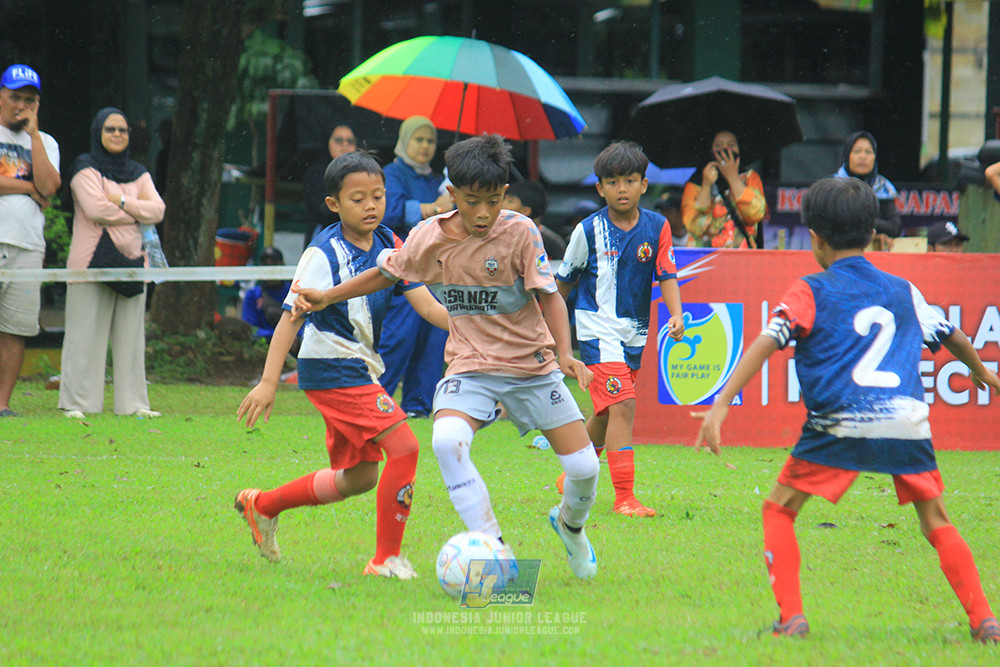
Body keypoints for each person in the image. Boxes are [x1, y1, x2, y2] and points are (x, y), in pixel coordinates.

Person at [694, 177, 1000, 642]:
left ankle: (791, 618)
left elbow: (766, 341)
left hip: (840, 419)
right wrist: (980, 372)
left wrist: (720, 405)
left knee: (779, 510)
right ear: (873, 232)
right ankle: (985, 621)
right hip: (905, 420)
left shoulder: (810, 289)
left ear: (815, 238)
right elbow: (953, 336)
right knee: (935, 519)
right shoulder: (903, 289)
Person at [291, 135, 601, 579]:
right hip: (471, 367)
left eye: (493, 202)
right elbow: (385, 272)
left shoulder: (520, 232)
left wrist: (565, 355)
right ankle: (495, 548)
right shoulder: (429, 236)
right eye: (472, 201)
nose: (482, 214)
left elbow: (550, 297)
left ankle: (570, 526)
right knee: (445, 440)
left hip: (532, 369)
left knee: (585, 467)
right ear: (451, 195)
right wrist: (328, 296)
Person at [234, 151, 449, 579]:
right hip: (332, 365)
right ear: (333, 204)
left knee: (360, 476)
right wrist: (268, 381)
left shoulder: (391, 243)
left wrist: (474, 330)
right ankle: (384, 560)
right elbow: (289, 319)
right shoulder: (322, 253)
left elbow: (425, 303)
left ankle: (264, 505)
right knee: (405, 447)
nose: (371, 206)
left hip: (360, 367)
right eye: (358, 199)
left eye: (378, 196)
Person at [555, 141, 685, 517]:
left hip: (634, 334)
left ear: (645, 184)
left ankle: (572, 477)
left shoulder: (658, 226)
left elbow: (668, 275)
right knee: (624, 405)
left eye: (630, 180)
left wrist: (676, 315)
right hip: (596, 331)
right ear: (600, 188)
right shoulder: (588, 230)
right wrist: (546, 331)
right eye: (613, 182)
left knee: (609, 412)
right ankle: (624, 497)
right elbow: (562, 286)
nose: (622, 188)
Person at [58, 107, 164, 419]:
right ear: (98, 133)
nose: (117, 135)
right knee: (84, 335)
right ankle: (77, 404)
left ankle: (133, 405)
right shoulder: (84, 167)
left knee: (131, 338)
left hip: (133, 262)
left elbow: (157, 210)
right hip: (90, 263)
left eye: (122, 130)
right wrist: (136, 210)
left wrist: (118, 200)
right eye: (110, 129)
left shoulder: (138, 171)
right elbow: (95, 209)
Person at [378, 116, 452, 418]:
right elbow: (388, 211)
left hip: (436, 269)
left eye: (430, 141)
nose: (424, 146)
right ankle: (376, 401)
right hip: (404, 269)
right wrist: (434, 208)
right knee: (398, 337)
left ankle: (420, 406)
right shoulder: (391, 174)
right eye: (418, 139)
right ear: (404, 140)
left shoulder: (439, 180)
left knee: (433, 340)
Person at [0, 65, 60, 418]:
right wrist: (27, 187)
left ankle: (3, 403)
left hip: (27, 245)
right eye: (15, 97)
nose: (21, 105)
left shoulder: (46, 142)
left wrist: (34, 135)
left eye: (30, 100)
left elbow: (50, 186)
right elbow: (37, 188)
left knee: (15, 327)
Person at [682, 130, 766, 249]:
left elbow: (755, 213)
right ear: (710, 150)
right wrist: (706, 185)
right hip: (704, 259)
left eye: (731, 145)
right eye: (718, 146)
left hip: (742, 259)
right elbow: (694, 225)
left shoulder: (750, 178)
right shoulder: (696, 182)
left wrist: (733, 178)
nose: (725, 150)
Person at [832, 131, 901, 249]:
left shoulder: (883, 188)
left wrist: (868, 225)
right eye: (857, 151)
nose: (863, 156)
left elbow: (895, 228)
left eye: (868, 152)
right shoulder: (833, 187)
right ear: (847, 155)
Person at [302, 124, 356, 249]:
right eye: (338, 140)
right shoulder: (316, 173)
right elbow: (325, 210)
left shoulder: (362, 174)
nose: (345, 145)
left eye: (350, 141)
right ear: (327, 143)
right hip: (324, 237)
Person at [503, 179, 565, 259]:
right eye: (503, 199)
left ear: (525, 211)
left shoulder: (551, 243)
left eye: (510, 201)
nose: (502, 204)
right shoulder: (497, 234)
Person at [241, 246, 291, 342]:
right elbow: (251, 329)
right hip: (263, 346)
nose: (270, 270)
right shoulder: (252, 295)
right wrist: (278, 337)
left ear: (282, 265)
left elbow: (304, 325)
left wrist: (294, 337)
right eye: (265, 265)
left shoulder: (294, 292)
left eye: (274, 265)